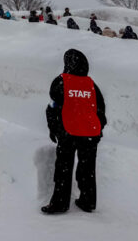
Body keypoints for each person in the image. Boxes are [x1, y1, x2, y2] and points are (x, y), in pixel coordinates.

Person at [42, 49, 107, 214]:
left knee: (64, 168)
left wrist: (54, 129)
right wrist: (98, 129)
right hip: (91, 134)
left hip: (68, 133)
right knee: (87, 170)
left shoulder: (60, 82)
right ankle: (88, 201)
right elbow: (100, 110)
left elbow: (53, 108)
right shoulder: (92, 85)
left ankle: (59, 204)